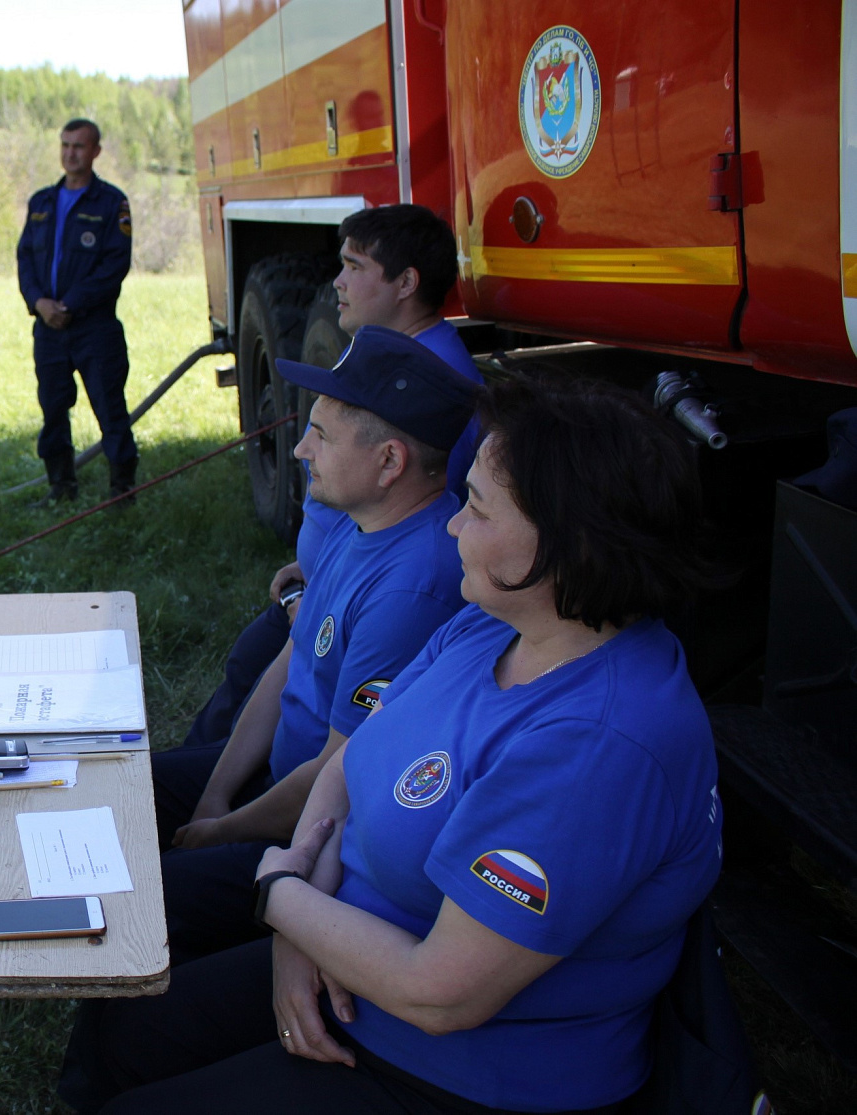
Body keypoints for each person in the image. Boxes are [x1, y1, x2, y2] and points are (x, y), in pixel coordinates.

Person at [61, 374, 723, 1114]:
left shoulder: (601, 744)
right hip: (349, 956)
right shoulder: (496, 621)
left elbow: (441, 993)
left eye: (475, 506)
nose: (449, 526)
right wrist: (297, 929)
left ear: (567, 543)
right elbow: (356, 759)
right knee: (125, 1023)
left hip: (459, 1069)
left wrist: (280, 894)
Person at [150, 327, 476, 965]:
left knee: (147, 895)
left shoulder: (415, 586)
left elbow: (337, 773)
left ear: (389, 462)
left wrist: (224, 830)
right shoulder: (365, 524)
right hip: (275, 777)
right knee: (125, 791)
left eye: (320, 436)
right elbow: (292, 659)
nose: (299, 449)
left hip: (310, 830)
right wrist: (216, 792)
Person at [176, 204, 480, 756]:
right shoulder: (383, 348)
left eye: (354, 266)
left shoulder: (436, 384)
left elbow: (412, 512)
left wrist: (321, 589)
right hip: (327, 588)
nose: (336, 281)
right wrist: (316, 564)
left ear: (407, 282)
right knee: (243, 677)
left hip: (342, 612)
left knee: (248, 709)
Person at [17, 119, 136, 503]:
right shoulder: (42, 202)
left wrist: (69, 305)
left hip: (93, 328)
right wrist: (39, 303)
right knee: (52, 409)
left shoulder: (111, 203)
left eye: (79, 146)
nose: (71, 153)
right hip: (48, 328)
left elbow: (114, 265)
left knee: (109, 408)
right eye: (65, 145)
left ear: (96, 151)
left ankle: (122, 491)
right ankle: (61, 487)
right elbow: (25, 261)